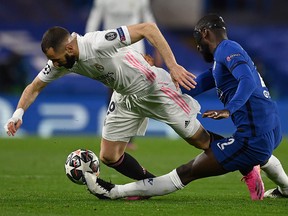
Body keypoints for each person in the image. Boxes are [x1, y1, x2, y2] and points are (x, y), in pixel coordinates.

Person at [4, 21, 261, 200]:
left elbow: (148, 29)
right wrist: (18, 114)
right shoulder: (62, 61)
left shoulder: (96, 43)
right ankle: (147, 185)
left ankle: (249, 166)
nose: (54, 64)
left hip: (153, 87)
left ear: (69, 48)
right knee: (109, 155)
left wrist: (172, 66)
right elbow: (34, 86)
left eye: (57, 58)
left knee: (202, 141)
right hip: (125, 96)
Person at [83, 14, 288, 200]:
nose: (198, 47)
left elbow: (247, 81)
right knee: (258, 155)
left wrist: (229, 109)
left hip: (253, 139)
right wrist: (149, 71)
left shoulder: (227, 48)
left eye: (198, 39)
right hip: (272, 129)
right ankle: (285, 188)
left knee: (186, 172)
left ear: (205, 33)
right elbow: (188, 88)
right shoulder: (221, 64)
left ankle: (113, 192)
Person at [85, 0, 163, 150]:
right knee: (113, 89)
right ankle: (113, 135)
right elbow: (94, 20)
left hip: (135, 48)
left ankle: (129, 137)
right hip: (109, 48)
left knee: (136, 91)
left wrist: (157, 48)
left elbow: (149, 21)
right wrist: (88, 45)